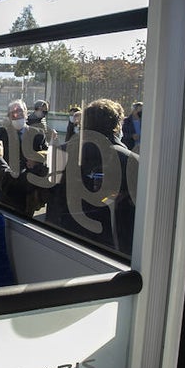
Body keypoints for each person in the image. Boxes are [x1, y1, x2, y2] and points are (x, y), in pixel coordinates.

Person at [46, 99, 138, 253]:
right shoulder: (130, 160)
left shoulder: (60, 153)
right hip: (112, 249)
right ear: (117, 125)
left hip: (63, 239)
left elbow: (51, 196)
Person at [0, 99, 49, 216]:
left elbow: (46, 159)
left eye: (20, 111)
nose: (16, 115)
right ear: (8, 116)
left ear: (26, 112)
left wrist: (37, 161)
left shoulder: (38, 134)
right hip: (2, 191)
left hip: (27, 193)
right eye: (12, 112)